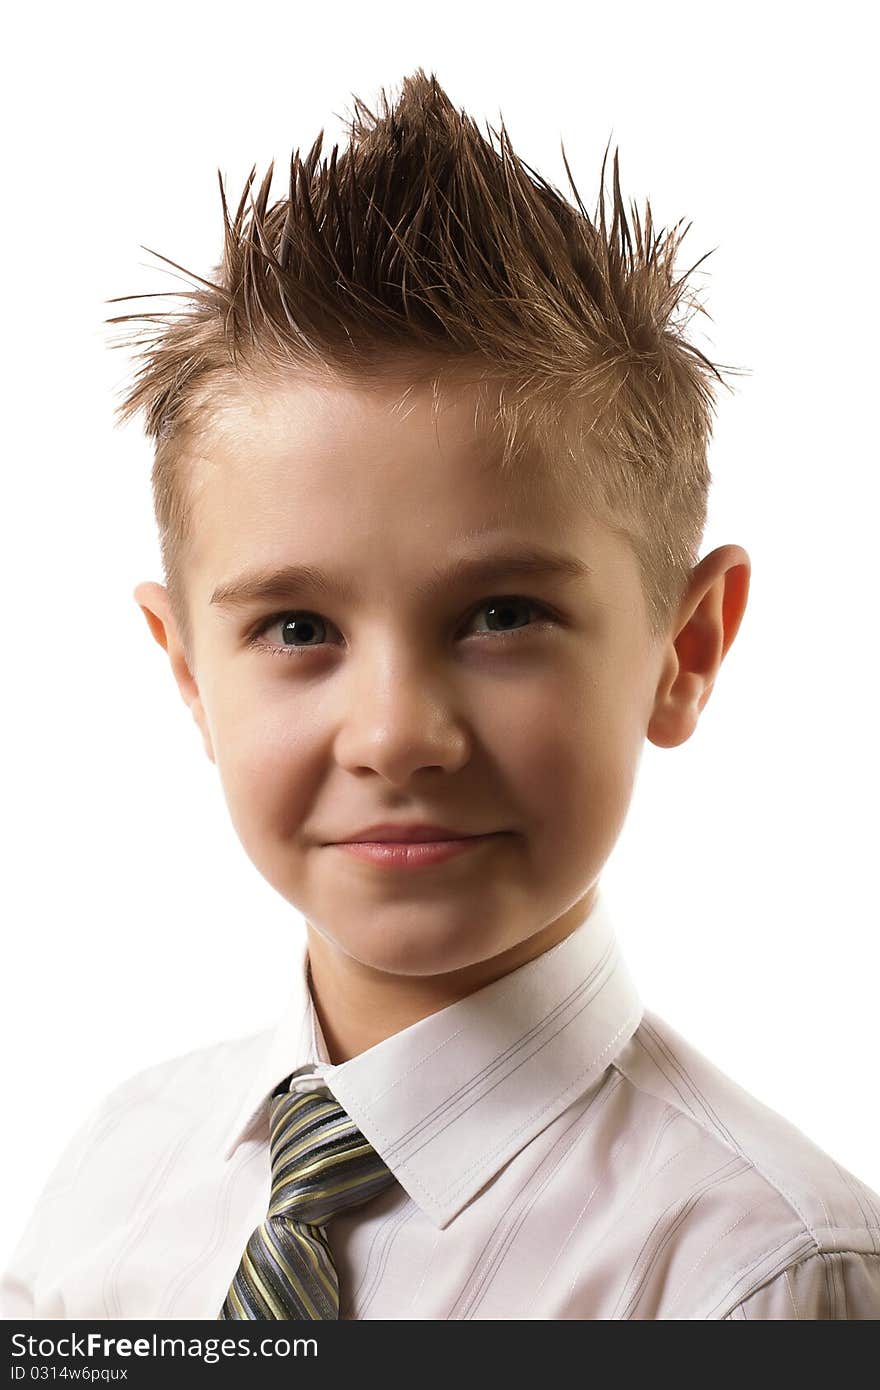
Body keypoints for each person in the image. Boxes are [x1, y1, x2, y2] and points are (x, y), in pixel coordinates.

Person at [3, 67, 878, 1322]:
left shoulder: (750, 1278)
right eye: (297, 627)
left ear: (684, 648)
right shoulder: (115, 1179)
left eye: (501, 615)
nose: (397, 734)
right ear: (187, 672)